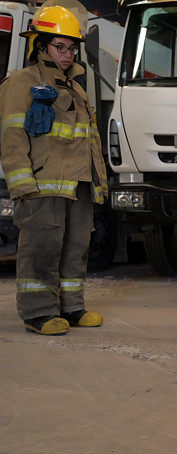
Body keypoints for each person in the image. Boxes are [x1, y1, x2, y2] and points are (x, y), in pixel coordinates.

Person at [0, 5, 107, 335]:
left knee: (76, 247)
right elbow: (11, 136)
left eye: (72, 47)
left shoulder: (76, 88)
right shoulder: (21, 83)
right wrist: (22, 184)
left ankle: (72, 306)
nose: (68, 53)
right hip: (42, 183)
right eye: (61, 46)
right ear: (40, 45)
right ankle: (39, 312)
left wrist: (98, 183)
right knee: (42, 248)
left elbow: (90, 140)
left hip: (79, 183)